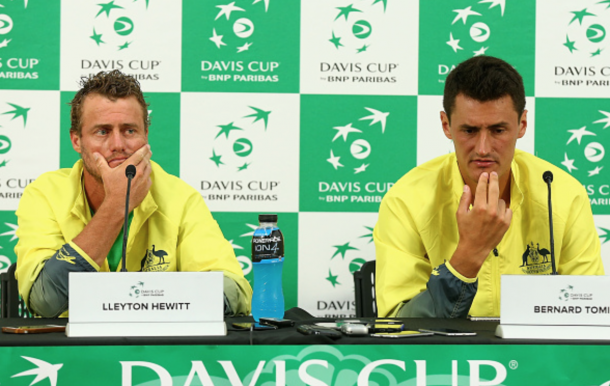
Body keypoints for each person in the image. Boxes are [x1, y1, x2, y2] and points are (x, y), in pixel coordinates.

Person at [374, 56, 604, 318]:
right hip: (447, 358)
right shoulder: (406, 200)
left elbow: (590, 315)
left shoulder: (562, 193)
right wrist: (469, 254)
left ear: (522, 125)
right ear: (446, 125)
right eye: (469, 130)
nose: (483, 148)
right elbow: (397, 323)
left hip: (538, 357)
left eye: (498, 130)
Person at [15, 70, 252, 318]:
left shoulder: (180, 197)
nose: (118, 144)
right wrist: (117, 204)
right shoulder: (45, 194)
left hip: (156, 348)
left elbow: (234, 291)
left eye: (129, 131)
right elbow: (45, 301)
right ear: (77, 141)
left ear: (145, 136)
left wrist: (141, 302)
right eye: (102, 131)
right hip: (71, 352)